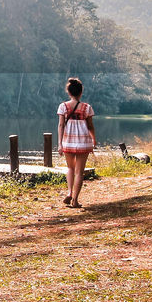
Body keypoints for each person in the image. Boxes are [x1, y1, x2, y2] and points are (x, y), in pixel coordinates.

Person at [56, 77, 96, 208]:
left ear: (69, 92)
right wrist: (94, 139)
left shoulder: (63, 106)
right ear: (81, 92)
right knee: (79, 172)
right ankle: (75, 200)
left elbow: (61, 126)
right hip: (83, 142)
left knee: (70, 168)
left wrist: (60, 144)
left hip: (68, 142)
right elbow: (90, 126)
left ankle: (69, 192)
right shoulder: (87, 108)